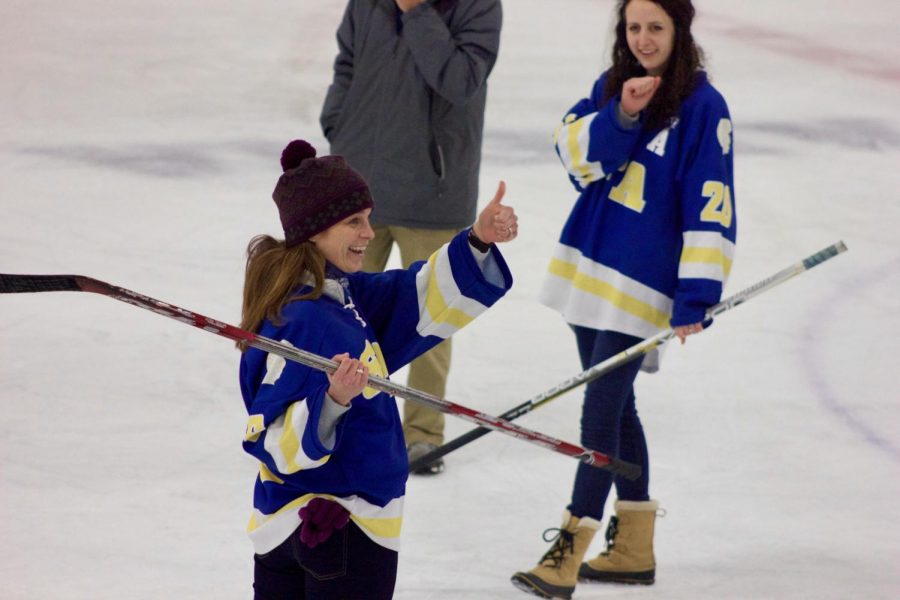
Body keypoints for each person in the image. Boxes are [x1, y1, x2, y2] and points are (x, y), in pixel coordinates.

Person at [511, 1, 736, 597]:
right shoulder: (613, 88)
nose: (643, 39)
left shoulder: (705, 108)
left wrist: (696, 295)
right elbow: (573, 160)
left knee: (600, 405)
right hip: (591, 268)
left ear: (679, 31)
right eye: (633, 27)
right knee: (618, 405)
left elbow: (711, 202)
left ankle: (568, 547)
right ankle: (634, 549)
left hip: (643, 286)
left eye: (655, 28)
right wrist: (621, 114)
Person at [239, 139, 518, 599]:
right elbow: (267, 436)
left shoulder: (344, 298)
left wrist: (478, 240)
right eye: (354, 221)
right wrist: (332, 402)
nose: (370, 233)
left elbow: (421, 296)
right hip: (339, 528)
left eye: (368, 218)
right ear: (314, 231)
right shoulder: (302, 319)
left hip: (300, 532)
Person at [320, 0, 503, 475]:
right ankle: (344, 421)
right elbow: (347, 64)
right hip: (360, 188)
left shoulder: (477, 6)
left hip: (434, 192)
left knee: (432, 314)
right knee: (342, 312)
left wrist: (419, 12)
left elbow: (460, 80)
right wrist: (339, 129)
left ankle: (422, 433)